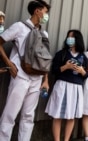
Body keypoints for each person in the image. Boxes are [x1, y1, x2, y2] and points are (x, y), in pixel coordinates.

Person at [0, 0, 51, 141]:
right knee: (10, 113)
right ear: (37, 11)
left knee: (29, 116)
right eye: (45, 12)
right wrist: (9, 63)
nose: (47, 16)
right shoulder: (20, 27)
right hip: (20, 76)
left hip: (37, 79)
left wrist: (46, 80)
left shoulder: (44, 34)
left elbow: (44, 59)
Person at [45, 30, 88, 141]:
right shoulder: (61, 54)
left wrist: (82, 71)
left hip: (76, 88)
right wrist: (66, 67)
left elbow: (86, 75)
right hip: (62, 86)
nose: (69, 39)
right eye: (68, 37)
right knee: (57, 115)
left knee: (71, 116)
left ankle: (67, 139)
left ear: (78, 39)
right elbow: (54, 70)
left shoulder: (83, 57)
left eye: (72, 37)